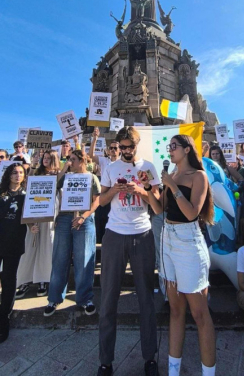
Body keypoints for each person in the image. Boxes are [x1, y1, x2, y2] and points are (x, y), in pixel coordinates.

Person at [138, 135, 216, 376]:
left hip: (188, 241)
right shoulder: (171, 175)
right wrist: (150, 190)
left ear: (186, 150)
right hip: (168, 240)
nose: (169, 150)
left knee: (199, 312)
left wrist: (171, 185)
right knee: (175, 309)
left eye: (174, 146)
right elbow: (159, 209)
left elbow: (193, 213)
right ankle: (173, 371)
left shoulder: (198, 176)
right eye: (168, 147)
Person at [97, 126, 160, 376]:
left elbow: (157, 203)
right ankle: (105, 361)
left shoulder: (148, 167)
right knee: (108, 299)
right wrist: (115, 190)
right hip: (114, 235)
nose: (125, 151)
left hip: (142, 235)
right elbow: (102, 201)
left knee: (146, 298)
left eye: (129, 147)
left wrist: (141, 191)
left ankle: (150, 358)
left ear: (137, 145)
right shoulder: (110, 168)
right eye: (121, 147)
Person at [44, 150, 100, 317]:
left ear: (82, 160)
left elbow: (97, 200)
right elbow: (54, 187)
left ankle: (85, 299)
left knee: (84, 260)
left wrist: (84, 216)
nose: (70, 162)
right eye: (69, 159)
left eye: (73, 160)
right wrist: (65, 168)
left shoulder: (91, 177)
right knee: (60, 259)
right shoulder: (66, 176)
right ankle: (54, 298)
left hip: (84, 219)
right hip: (64, 218)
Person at [15, 150, 61, 299]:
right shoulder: (35, 174)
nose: (45, 160)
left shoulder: (57, 175)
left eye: (49, 158)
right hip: (34, 209)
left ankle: (43, 279)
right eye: (44, 158)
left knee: (47, 246)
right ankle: (24, 280)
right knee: (29, 246)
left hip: (50, 212)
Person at [0, 163, 32, 342]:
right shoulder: (0, 192)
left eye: (20, 173)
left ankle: (4, 316)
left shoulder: (27, 196)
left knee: (9, 279)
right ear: (8, 175)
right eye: (14, 172)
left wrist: (33, 225)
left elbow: (31, 216)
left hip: (14, 242)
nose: (17, 175)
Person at [89, 127, 121, 243]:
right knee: (100, 220)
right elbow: (91, 155)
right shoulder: (104, 161)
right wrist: (94, 139)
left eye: (115, 148)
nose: (113, 150)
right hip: (104, 193)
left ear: (119, 150)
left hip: (117, 196)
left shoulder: (122, 162)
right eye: (111, 148)